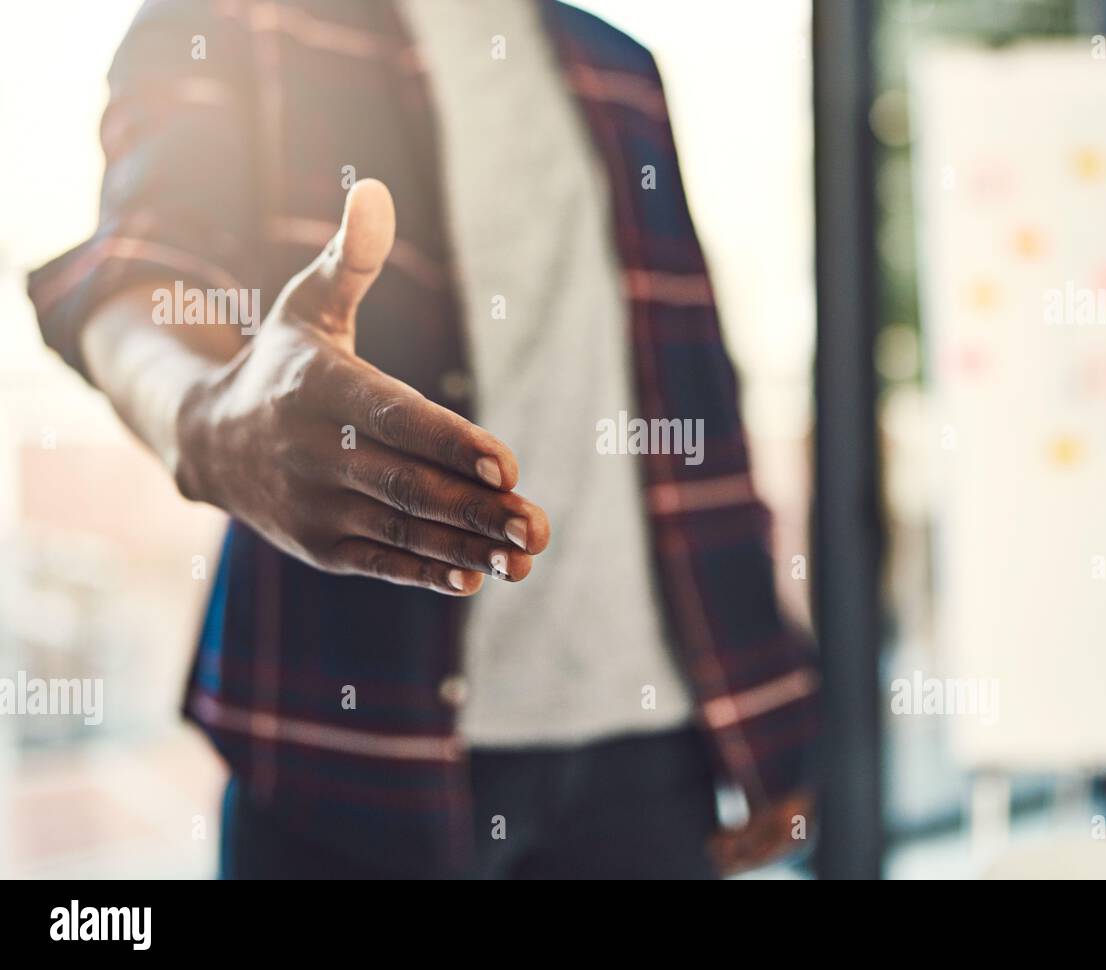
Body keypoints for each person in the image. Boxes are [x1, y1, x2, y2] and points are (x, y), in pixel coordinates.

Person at [29, 0, 818, 879]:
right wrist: (202, 421)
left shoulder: (620, 66)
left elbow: (692, 394)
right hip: (348, 752)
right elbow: (138, 269)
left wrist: (772, 702)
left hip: (650, 752)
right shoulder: (233, 19)